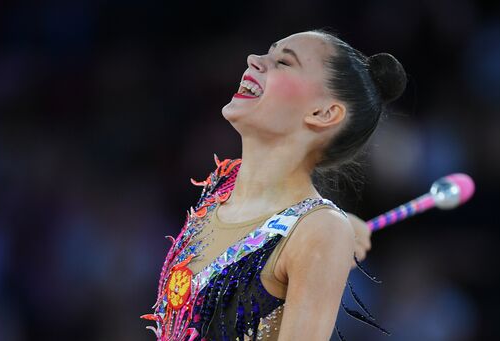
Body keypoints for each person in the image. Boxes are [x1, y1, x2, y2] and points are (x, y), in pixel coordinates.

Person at [142, 28, 407, 341]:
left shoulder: (320, 230)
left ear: (323, 113)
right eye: (266, 52)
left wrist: (325, 235)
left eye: (284, 62)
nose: (253, 59)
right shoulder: (219, 190)